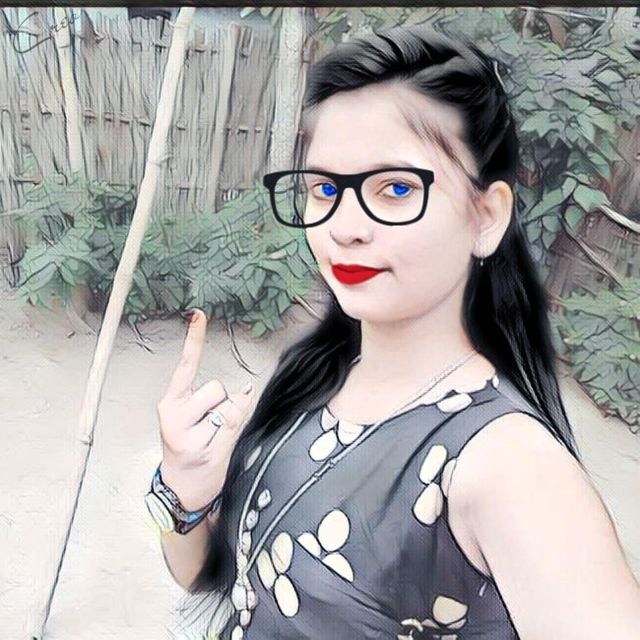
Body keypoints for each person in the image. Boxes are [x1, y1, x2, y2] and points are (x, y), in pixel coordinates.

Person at [151, 25, 640, 639]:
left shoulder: (509, 465)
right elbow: (206, 579)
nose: (344, 226)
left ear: (486, 218)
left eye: (397, 188)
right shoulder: (312, 379)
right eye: (325, 188)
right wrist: (183, 492)